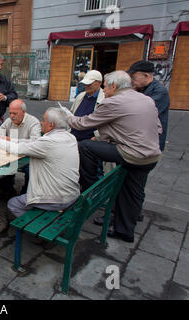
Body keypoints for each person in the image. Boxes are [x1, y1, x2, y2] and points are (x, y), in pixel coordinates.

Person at [67, 71, 162, 243]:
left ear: (114, 86)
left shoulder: (114, 101)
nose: (104, 89)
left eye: (105, 86)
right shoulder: (146, 99)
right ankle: (125, 230)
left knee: (85, 146)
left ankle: (90, 184)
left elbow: (84, 124)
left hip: (131, 154)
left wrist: (68, 118)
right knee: (132, 192)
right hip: (151, 156)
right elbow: (158, 129)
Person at [0, 107, 80, 218]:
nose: (42, 122)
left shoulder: (48, 142)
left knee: (13, 204)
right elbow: (33, 143)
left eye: (44, 120)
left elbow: (17, 149)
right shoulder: (71, 138)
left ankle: (40, 225)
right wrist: (10, 140)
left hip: (57, 199)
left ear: (51, 125)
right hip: (72, 193)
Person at [0, 99, 41, 196]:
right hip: (12, 154)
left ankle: (25, 195)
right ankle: (8, 191)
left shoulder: (34, 122)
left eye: (15, 113)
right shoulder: (9, 121)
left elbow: (36, 142)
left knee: (31, 172)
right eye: (10, 113)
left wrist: (12, 141)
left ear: (23, 112)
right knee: (0, 167)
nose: (11, 116)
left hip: (28, 156)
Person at [127, 60, 170, 151]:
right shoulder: (139, 88)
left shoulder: (160, 91)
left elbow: (139, 111)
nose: (131, 81)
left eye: (134, 77)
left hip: (150, 141)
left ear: (146, 76)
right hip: (136, 138)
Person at [69, 70, 105, 142]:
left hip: (89, 139)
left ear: (99, 83)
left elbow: (107, 124)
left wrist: (97, 137)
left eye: (89, 84)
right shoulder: (80, 96)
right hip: (73, 135)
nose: (86, 86)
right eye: (85, 83)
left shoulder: (105, 99)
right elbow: (71, 113)